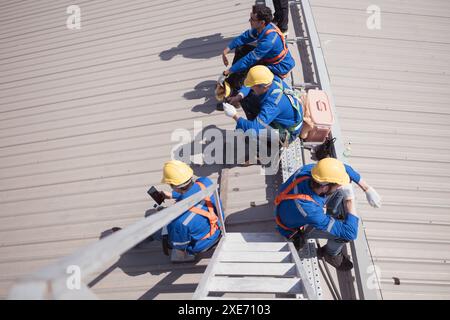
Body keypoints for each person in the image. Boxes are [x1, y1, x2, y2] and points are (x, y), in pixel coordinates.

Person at [274, 158, 382, 271]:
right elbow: (350, 233)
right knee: (342, 234)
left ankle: (333, 217)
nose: (340, 185)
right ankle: (330, 254)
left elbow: (344, 168)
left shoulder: (311, 171)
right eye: (337, 184)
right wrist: (350, 200)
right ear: (325, 187)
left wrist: (367, 188)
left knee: (341, 190)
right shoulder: (310, 210)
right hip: (293, 228)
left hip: (294, 208)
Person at [219, 4, 295, 99]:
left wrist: (229, 70)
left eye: (252, 19)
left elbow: (249, 60)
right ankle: (232, 80)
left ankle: (236, 97)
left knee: (250, 72)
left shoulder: (268, 41)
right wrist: (227, 49)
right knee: (241, 49)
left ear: (261, 22)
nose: (249, 21)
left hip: (278, 67)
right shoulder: (263, 27)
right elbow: (245, 36)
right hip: (268, 58)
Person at [159, 160, 224, 262]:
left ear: (173, 185)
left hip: (203, 244)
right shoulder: (205, 182)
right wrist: (173, 195)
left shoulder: (179, 222)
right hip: (218, 228)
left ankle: (184, 257)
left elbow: (180, 245)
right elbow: (194, 192)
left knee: (163, 233)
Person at [222, 65, 303, 145]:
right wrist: (239, 96)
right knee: (246, 99)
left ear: (263, 87)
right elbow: (249, 86)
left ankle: (267, 153)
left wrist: (234, 115)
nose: (251, 87)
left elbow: (253, 129)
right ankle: (254, 123)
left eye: (253, 86)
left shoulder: (273, 104)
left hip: (287, 133)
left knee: (248, 133)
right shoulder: (271, 78)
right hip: (282, 115)